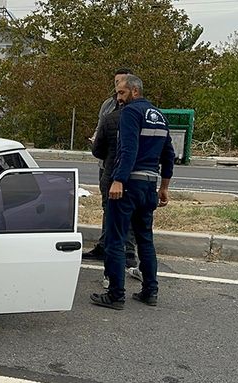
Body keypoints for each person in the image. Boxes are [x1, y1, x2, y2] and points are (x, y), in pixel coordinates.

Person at [90, 74, 174, 310]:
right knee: (145, 239)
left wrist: (118, 180)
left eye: (121, 93)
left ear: (135, 92)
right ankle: (150, 291)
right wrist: (164, 186)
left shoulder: (130, 113)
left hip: (128, 185)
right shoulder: (159, 116)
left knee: (115, 240)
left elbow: (128, 150)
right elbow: (168, 154)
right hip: (149, 185)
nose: (118, 98)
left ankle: (116, 295)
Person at [84, 67, 134, 263]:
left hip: (125, 169)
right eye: (116, 84)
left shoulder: (135, 110)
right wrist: (96, 140)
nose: (118, 88)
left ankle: (128, 252)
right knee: (108, 207)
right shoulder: (107, 106)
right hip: (105, 165)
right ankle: (104, 246)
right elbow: (100, 129)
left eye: (122, 84)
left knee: (126, 209)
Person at [91, 105, 138, 275]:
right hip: (137, 178)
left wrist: (117, 177)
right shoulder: (150, 116)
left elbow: (97, 149)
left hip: (113, 175)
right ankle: (147, 283)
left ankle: (113, 280)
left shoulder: (112, 117)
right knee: (127, 218)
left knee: (114, 219)